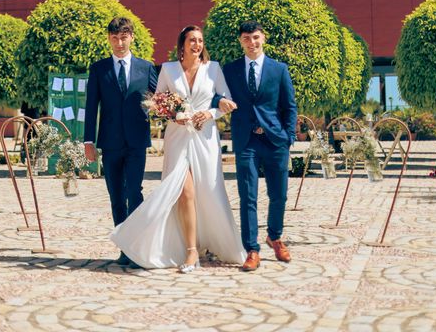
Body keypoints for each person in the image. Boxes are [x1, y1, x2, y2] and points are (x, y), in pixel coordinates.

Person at [111, 25, 246, 272]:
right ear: (182, 44)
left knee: (208, 192)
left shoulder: (213, 68)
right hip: (177, 137)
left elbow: (226, 100)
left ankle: (208, 242)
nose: (197, 44)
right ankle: (191, 250)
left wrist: (210, 112)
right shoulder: (168, 70)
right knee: (184, 191)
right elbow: (157, 102)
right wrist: (175, 116)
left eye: (200, 40)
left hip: (205, 138)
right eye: (192, 40)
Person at [220, 20, 297, 271]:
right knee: (248, 197)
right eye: (246, 38)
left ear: (263, 38)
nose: (251, 43)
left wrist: (288, 138)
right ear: (240, 41)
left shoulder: (279, 69)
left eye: (255, 37)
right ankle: (252, 249)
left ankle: (274, 236)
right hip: (246, 141)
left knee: (279, 196)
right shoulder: (229, 70)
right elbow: (216, 94)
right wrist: (220, 101)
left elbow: (289, 106)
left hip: (275, 141)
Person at [84, 17, 158, 267]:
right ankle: (124, 247)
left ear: (132, 37)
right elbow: (91, 106)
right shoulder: (99, 69)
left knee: (133, 191)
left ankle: (136, 244)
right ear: (109, 39)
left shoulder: (146, 68)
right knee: (116, 195)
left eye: (124, 37)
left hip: (137, 142)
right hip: (110, 142)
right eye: (114, 37)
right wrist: (88, 141)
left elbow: (158, 100)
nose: (119, 42)